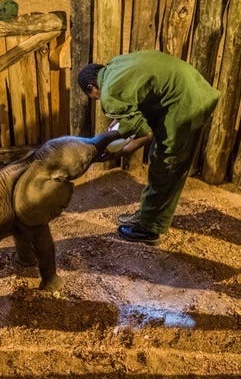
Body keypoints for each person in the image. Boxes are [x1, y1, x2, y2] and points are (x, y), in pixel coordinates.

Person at [78, 49, 220, 245]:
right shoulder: (115, 66)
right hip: (194, 88)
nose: (98, 99)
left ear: (92, 86)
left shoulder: (108, 92)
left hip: (185, 104)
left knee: (167, 165)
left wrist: (121, 152)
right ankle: (147, 215)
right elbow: (134, 105)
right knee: (159, 157)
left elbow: (146, 134)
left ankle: (149, 229)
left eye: (94, 96)